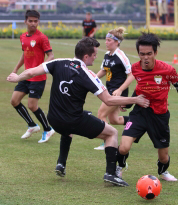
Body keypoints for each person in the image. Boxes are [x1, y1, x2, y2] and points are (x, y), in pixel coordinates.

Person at [7, 37, 150, 187]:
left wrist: (17, 77)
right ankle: (111, 173)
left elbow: (32, 72)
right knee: (112, 133)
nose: (96, 57)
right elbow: (108, 100)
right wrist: (135, 100)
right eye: (94, 55)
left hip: (54, 120)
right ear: (86, 57)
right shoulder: (87, 74)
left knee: (68, 126)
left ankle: (61, 164)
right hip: (73, 120)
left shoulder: (58, 62)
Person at [115, 32, 178, 181]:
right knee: (124, 146)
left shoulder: (167, 70)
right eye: (142, 54)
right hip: (139, 113)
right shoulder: (135, 68)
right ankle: (119, 167)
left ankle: (163, 171)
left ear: (155, 52)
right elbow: (140, 87)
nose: (145, 57)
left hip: (159, 115)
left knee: (164, 157)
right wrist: (129, 102)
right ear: (138, 53)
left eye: (149, 54)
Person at [9, 10, 55, 143]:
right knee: (14, 101)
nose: (33, 23)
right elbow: (24, 54)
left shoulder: (42, 37)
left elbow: (51, 56)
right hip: (25, 76)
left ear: (38, 22)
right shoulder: (23, 37)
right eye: (31, 21)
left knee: (32, 105)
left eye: (36, 21)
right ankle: (32, 125)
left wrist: (40, 68)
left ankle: (48, 129)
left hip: (37, 77)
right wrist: (16, 69)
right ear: (25, 21)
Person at [94, 27, 132, 150]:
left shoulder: (121, 56)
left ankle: (107, 142)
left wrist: (120, 90)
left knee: (101, 114)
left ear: (117, 42)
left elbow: (132, 75)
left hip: (116, 93)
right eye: (106, 40)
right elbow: (104, 70)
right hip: (109, 90)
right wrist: (92, 78)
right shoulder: (107, 55)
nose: (106, 42)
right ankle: (137, 122)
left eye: (109, 40)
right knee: (114, 120)